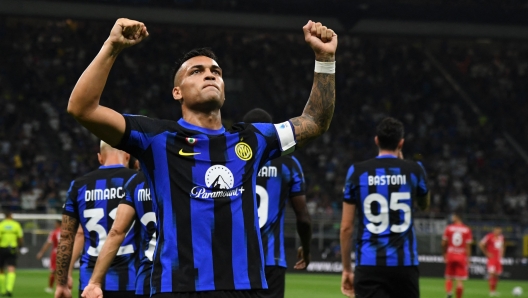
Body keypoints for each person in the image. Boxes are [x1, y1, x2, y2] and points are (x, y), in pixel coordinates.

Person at [67, 17, 336, 298]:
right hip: (178, 288)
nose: (210, 74)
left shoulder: (253, 139)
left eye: (216, 71)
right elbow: (82, 108)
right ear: (177, 92)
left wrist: (325, 58)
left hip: (246, 287)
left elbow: (315, 121)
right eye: (196, 71)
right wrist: (112, 47)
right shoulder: (156, 137)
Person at [340, 117, 430, 298]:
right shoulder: (415, 170)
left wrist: (347, 269)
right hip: (405, 266)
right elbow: (424, 205)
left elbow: (346, 228)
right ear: (401, 143)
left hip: (369, 264)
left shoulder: (357, 172)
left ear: (376, 140)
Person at [242, 109, 312, 298]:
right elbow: (303, 218)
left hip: (237, 261)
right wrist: (306, 250)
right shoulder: (289, 164)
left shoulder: (230, 161)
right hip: (271, 260)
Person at [55, 141, 139, 298]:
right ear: (128, 156)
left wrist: (62, 281)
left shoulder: (78, 185)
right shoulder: (139, 181)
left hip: (89, 285)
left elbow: (67, 236)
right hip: (134, 281)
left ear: (100, 158)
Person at [82, 171, 155, 298]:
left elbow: (116, 232)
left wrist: (94, 282)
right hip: (188, 275)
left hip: (148, 276)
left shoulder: (136, 181)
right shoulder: (186, 175)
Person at [442, 212, 472, 298]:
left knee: (449, 277)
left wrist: (444, 253)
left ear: (456, 217)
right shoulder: (467, 229)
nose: (452, 217)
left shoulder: (449, 228)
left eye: (453, 216)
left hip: (451, 254)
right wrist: (468, 258)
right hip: (461, 255)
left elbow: (443, 243)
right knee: (459, 280)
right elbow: (468, 246)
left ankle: (449, 292)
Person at [0, 210, 23, 297]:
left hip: (2, 248)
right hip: (12, 249)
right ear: (10, 215)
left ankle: (2, 290)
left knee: (1, 269)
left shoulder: (1, 225)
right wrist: (20, 246)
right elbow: (20, 237)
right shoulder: (16, 224)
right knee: (11, 269)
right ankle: (9, 289)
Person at [37, 220, 62, 293]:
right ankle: (61, 287)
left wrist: (41, 252)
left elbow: (48, 243)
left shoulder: (54, 232)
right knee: (62, 271)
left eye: (55, 223)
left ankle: (50, 288)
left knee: (53, 270)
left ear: (58, 224)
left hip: (56, 252)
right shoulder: (66, 232)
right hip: (64, 253)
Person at [479, 226, 504, 297]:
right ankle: (491, 291)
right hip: (491, 259)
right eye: (497, 230)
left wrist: (501, 255)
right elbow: (481, 244)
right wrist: (486, 253)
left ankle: (494, 290)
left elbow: (502, 247)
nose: (499, 232)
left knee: (496, 275)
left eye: (500, 231)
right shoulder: (489, 236)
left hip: (498, 259)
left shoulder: (501, 237)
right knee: (492, 273)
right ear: (494, 230)